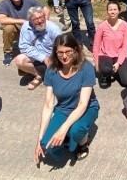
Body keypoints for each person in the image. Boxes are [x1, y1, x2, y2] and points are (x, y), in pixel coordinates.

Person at [34, 34, 99, 166]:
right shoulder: (51, 70)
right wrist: (39, 139)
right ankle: (66, 137)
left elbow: (82, 104)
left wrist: (63, 129)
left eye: (68, 52)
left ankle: (82, 143)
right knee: (47, 145)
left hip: (87, 109)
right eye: (60, 53)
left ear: (75, 50)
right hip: (64, 109)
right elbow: (48, 104)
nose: (64, 56)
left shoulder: (86, 68)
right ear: (55, 53)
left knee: (75, 130)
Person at [13, 7, 63, 90]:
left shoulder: (54, 29)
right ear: (30, 20)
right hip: (36, 55)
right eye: (36, 19)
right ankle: (38, 75)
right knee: (19, 60)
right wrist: (42, 58)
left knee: (59, 81)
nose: (40, 21)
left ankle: (50, 74)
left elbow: (61, 48)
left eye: (41, 17)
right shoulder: (26, 26)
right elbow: (23, 47)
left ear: (44, 16)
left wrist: (53, 59)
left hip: (52, 57)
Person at [0, 0, 49, 66]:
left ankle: (39, 51)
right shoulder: (4, 3)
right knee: (8, 28)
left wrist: (45, 23)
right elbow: (1, 19)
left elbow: (46, 9)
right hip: (17, 28)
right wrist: (21, 21)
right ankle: (8, 53)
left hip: (31, 27)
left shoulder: (29, 0)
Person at [92, 1, 127, 89]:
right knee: (106, 70)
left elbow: (125, 46)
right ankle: (106, 75)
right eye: (110, 10)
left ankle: (115, 71)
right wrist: (96, 63)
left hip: (118, 55)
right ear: (107, 11)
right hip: (105, 55)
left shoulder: (124, 25)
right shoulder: (102, 26)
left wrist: (118, 63)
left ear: (119, 11)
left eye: (115, 9)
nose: (113, 12)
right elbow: (96, 45)